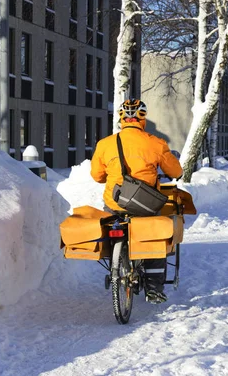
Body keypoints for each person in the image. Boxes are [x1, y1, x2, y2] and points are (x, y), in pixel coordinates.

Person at [90, 98, 182, 304]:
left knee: (114, 219)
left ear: (122, 118)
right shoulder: (156, 143)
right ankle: (153, 289)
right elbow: (176, 171)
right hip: (145, 205)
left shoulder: (105, 144)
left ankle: (117, 261)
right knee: (153, 237)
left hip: (115, 203)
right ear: (142, 118)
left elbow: (97, 176)